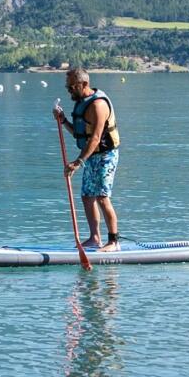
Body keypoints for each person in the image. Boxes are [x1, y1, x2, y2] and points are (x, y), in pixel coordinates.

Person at [58, 66, 122, 251]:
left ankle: (114, 242)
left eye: (72, 87)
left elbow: (95, 138)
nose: (69, 90)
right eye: (67, 87)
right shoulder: (82, 103)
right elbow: (79, 134)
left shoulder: (97, 105)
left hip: (105, 156)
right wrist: (63, 121)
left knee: (102, 196)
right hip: (91, 155)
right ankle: (95, 238)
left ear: (84, 83)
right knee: (87, 196)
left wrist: (78, 162)